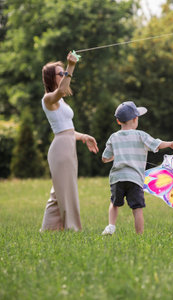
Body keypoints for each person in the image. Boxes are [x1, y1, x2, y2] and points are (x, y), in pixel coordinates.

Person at [41, 52, 99, 232]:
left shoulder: (62, 103)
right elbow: (62, 90)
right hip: (60, 148)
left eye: (64, 73)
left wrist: (83, 137)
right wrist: (71, 67)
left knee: (58, 193)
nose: (64, 75)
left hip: (67, 144)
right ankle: (72, 229)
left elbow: (67, 129)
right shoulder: (49, 99)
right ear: (51, 78)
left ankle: (48, 230)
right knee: (67, 190)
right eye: (61, 73)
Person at [101, 101, 173, 235]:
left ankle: (111, 226)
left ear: (118, 121)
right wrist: (170, 144)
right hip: (135, 179)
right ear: (135, 119)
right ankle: (139, 235)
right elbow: (157, 144)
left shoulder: (113, 137)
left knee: (114, 203)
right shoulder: (141, 135)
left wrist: (118, 155)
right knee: (137, 208)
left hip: (117, 178)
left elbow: (105, 158)